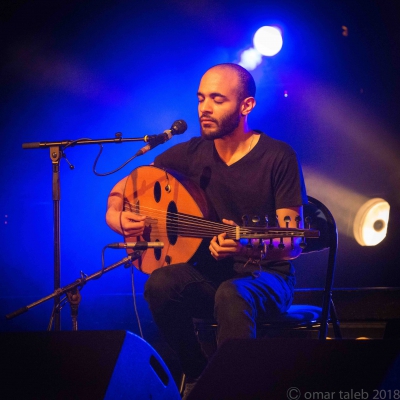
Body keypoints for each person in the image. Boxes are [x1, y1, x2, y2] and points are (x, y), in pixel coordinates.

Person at [106, 63, 307, 397]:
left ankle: (234, 390)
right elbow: (126, 187)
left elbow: (292, 243)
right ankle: (198, 375)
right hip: (210, 277)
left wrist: (246, 249)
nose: (204, 108)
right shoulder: (191, 153)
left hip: (268, 277)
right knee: (161, 284)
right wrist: (115, 216)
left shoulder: (278, 156)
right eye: (201, 99)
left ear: (246, 105)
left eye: (217, 99)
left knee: (233, 293)